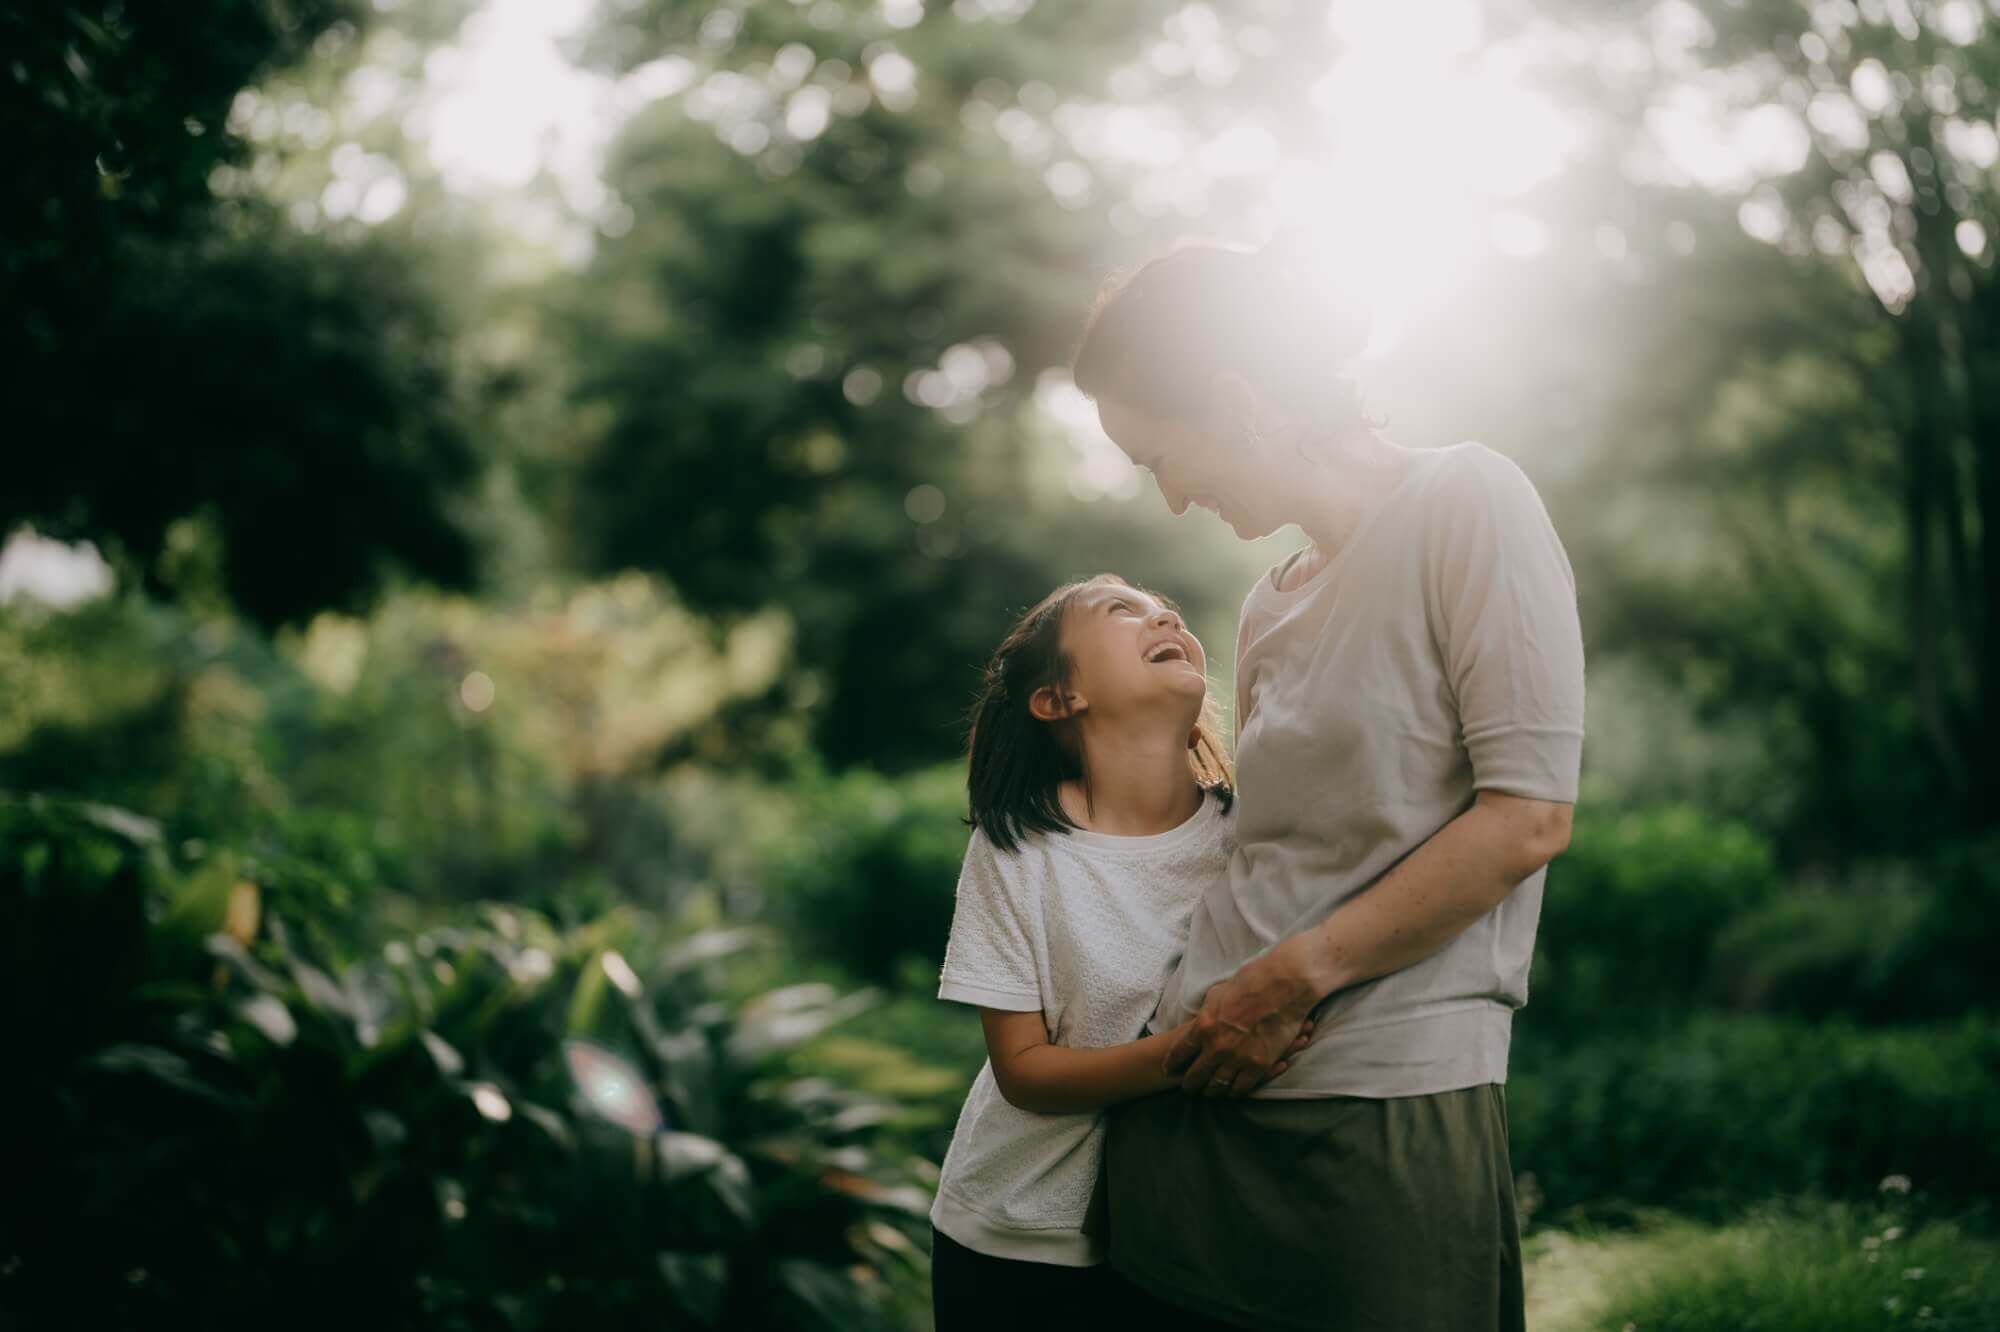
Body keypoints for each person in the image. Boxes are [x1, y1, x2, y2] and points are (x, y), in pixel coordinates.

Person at [1070, 239, 1587, 1331]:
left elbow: (1527, 816)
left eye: (1160, 456)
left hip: (1376, 1115)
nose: (1168, 502)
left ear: (1233, 399)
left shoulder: (1466, 500)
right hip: (1192, 1114)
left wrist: (1286, 983)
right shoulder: (1267, 604)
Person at [928, 572, 1313, 1331]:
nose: (1163, 613)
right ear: (1058, 698)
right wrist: (1196, 1050)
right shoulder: (1016, 849)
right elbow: (1026, 1073)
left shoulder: (1251, 839)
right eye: (1121, 610)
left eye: (1164, 607)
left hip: (1194, 1238)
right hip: (1020, 1244)